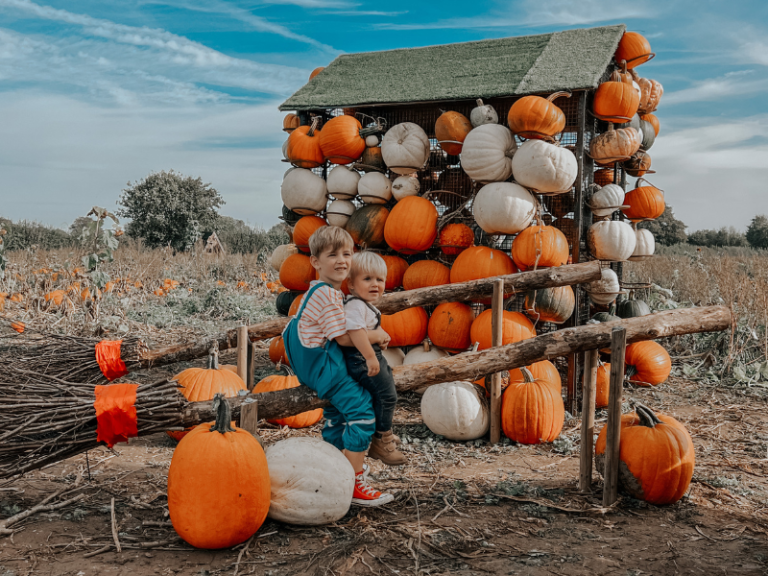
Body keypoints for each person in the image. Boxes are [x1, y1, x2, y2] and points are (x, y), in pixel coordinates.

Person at [282, 226, 393, 507]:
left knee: (336, 417)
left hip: (314, 368)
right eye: (333, 255)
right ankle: (352, 482)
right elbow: (343, 338)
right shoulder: (328, 295)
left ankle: (332, 472)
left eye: (347, 253)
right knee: (363, 413)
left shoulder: (315, 292)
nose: (342, 260)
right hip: (326, 370)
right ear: (316, 262)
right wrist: (376, 336)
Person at [336, 252, 407, 466]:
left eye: (380, 279)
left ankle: (381, 433)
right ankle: (381, 442)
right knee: (387, 396)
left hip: (367, 356)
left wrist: (381, 338)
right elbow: (355, 333)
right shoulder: (356, 305)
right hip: (361, 359)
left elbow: (368, 328)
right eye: (367, 279)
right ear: (351, 284)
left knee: (383, 394)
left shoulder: (363, 304)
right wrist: (370, 357)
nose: (375, 284)